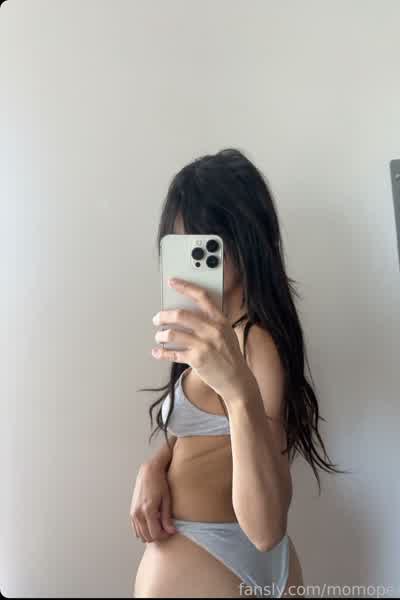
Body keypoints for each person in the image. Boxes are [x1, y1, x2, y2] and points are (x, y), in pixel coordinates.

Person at [131, 148, 345, 598]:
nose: (191, 253)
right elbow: (214, 434)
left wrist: (238, 390)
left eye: (202, 241)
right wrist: (155, 465)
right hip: (220, 558)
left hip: (209, 555)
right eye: (179, 240)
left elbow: (266, 523)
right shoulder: (217, 334)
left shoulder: (255, 341)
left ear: (243, 238)